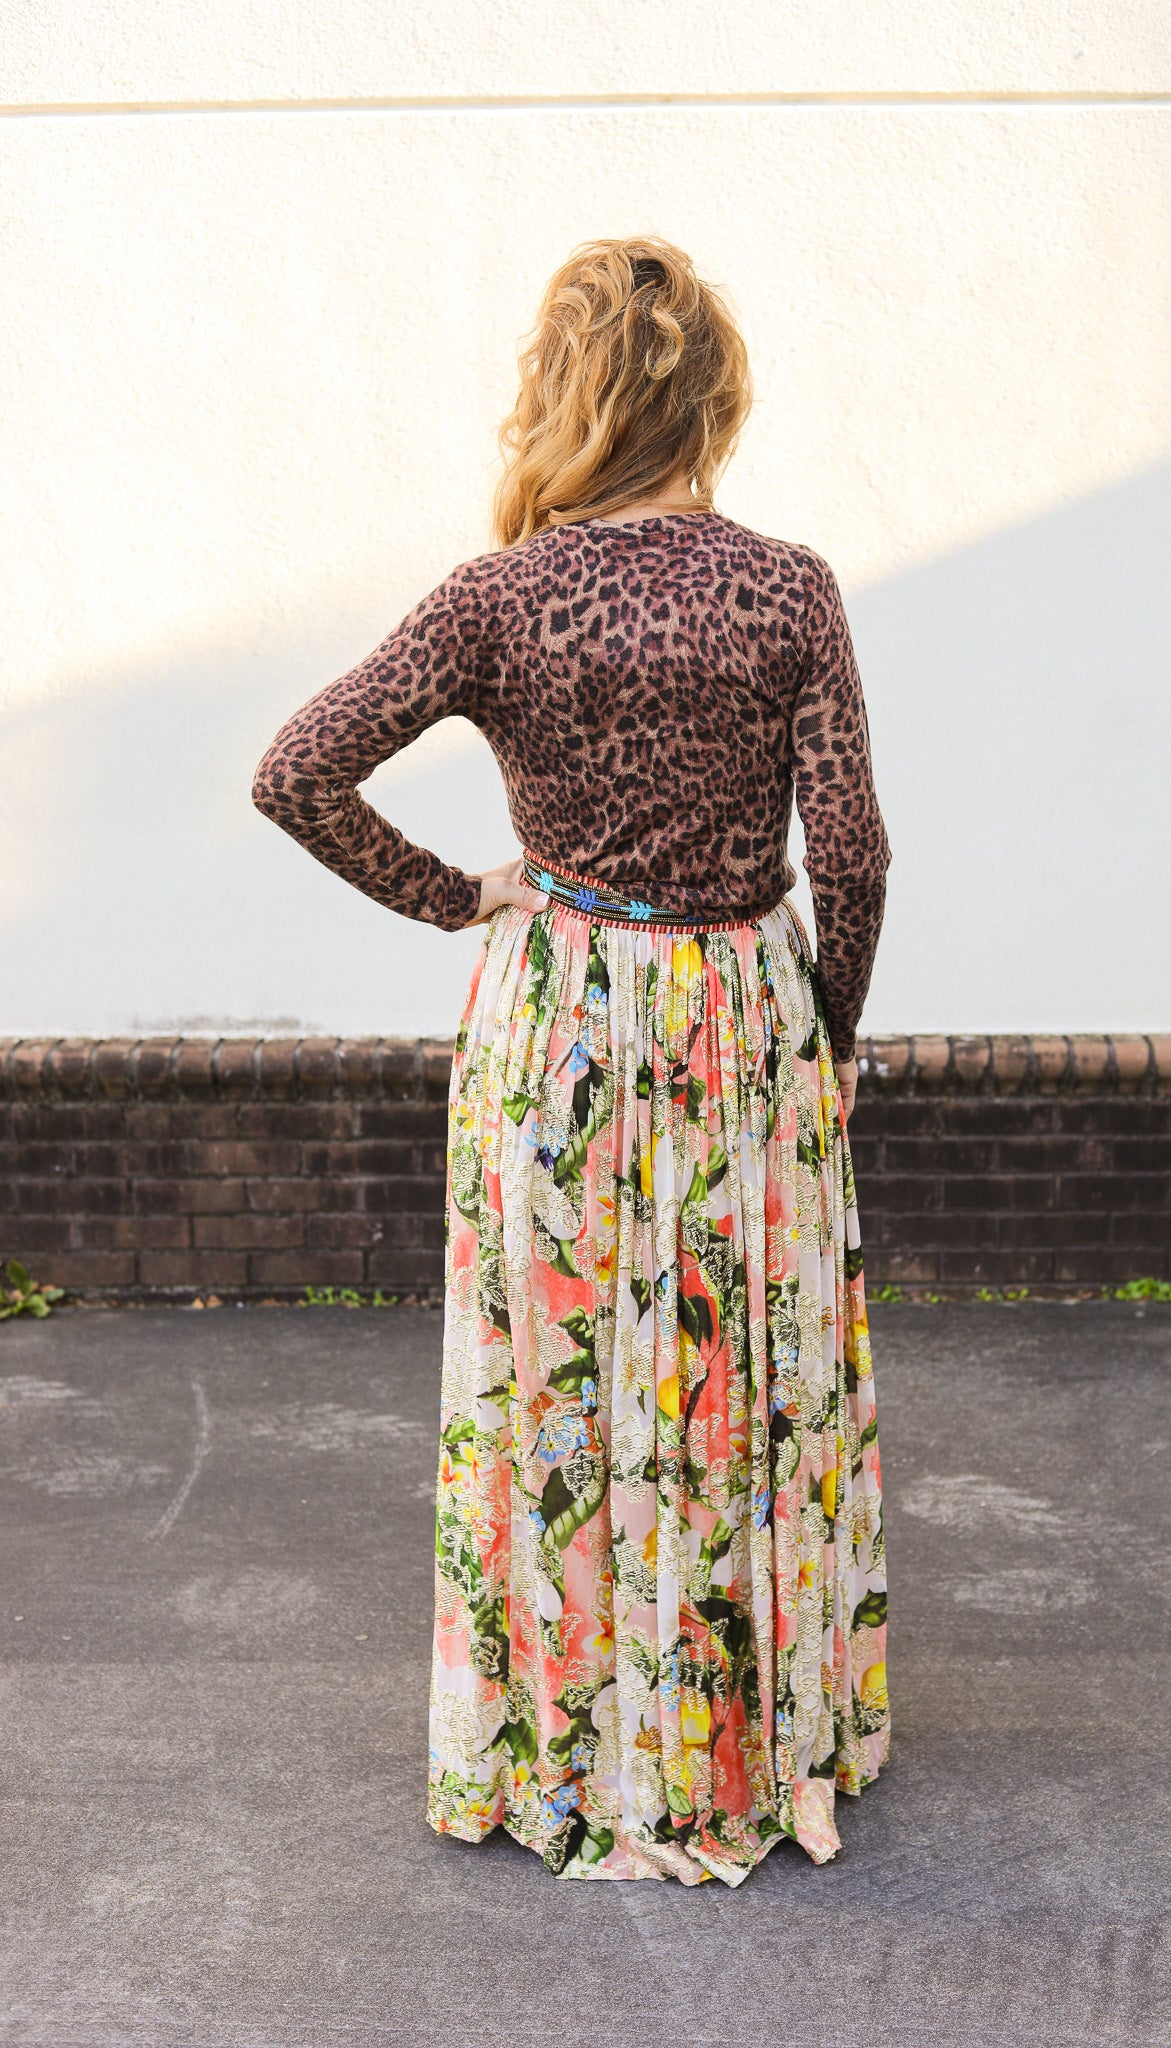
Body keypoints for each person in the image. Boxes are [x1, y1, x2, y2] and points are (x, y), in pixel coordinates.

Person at [251, 235, 891, 1886]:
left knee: (556, 1382)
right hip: (738, 1016)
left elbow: (296, 770)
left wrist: (456, 896)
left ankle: (563, 1737)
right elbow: (855, 853)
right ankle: (743, 1736)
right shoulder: (787, 587)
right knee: (737, 1377)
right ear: (714, 401)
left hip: (560, 1027)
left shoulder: (497, 597)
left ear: (559, 396)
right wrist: (825, 1038)